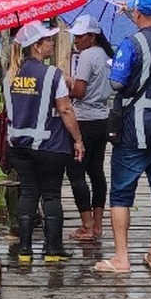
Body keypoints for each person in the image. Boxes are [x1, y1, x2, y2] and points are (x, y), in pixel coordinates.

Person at [94, 0, 151, 273]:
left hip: (133, 130)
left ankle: (121, 258)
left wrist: (116, 69)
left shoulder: (131, 44)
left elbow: (117, 84)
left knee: (120, 195)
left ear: (138, 13)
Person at [3, 20, 85, 263]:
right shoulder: (51, 74)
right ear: (37, 47)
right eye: (48, 40)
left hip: (18, 145)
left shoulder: (9, 74)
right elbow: (65, 109)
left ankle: (25, 250)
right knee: (51, 195)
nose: (51, 43)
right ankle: (52, 250)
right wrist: (78, 140)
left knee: (28, 193)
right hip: (49, 146)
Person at [65, 15, 114, 240]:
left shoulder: (86, 56)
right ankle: (98, 225)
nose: (76, 39)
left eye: (80, 35)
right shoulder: (104, 56)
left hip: (84, 119)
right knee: (96, 171)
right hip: (102, 118)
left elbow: (80, 93)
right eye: (75, 35)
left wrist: (69, 84)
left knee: (76, 172)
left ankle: (86, 226)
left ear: (92, 36)